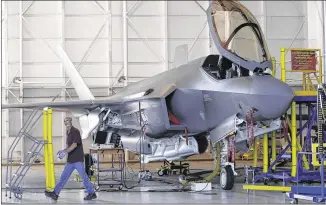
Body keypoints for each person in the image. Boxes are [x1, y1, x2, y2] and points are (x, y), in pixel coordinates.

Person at [45, 117, 97, 201]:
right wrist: (63, 151)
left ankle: (91, 193)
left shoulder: (75, 131)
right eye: (64, 121)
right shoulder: (68, 132)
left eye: (67, 120)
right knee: (63, 177)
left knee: (83, 176)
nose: (66, 122)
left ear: (71, 121)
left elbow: (74, 145)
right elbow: (69, 146)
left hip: (77, 159)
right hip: (71, 159)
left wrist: (65, 152)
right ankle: (55, 193)